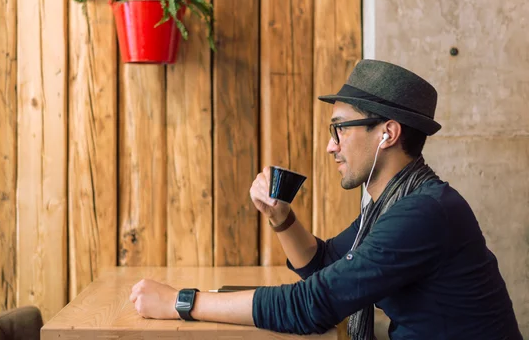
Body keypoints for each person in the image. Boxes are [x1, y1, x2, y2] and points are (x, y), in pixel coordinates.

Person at [129, 60, 522, 340]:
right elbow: (326, 266)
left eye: (340, 130)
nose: (330, 147)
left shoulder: (423, 213)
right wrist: (281, 219)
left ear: (387, 133)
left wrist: (182, 302)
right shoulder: (396, 203)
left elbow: (311, 306)